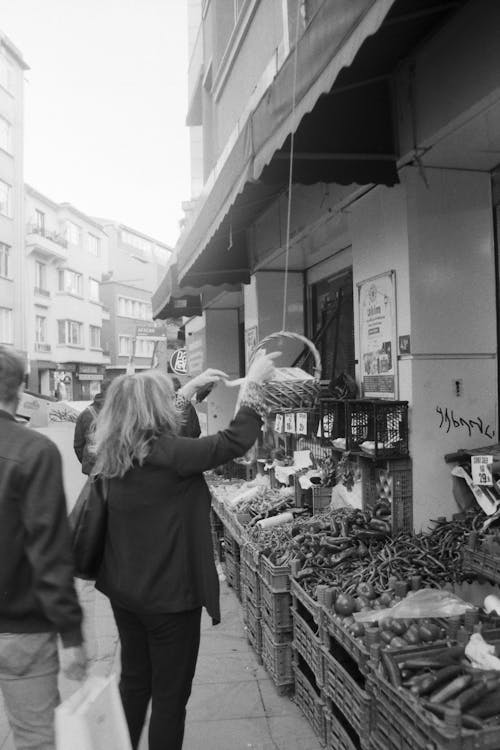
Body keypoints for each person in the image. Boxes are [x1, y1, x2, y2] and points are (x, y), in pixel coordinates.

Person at [91, 352, 278, 750]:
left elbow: (160, 427)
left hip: (126, 594)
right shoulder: (170, 455)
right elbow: (234, 440)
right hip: (169, 600)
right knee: (170, 699)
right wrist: (255, 385)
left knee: (135, 683)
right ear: (152, 411)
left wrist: (188, 391)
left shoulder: (112, 453)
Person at [0, 346, 86, 750]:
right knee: (36, 739)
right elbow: (48, 551)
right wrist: (71, 634)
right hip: (20, 629)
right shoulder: (33, 451)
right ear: (20, 390)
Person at [73, 379, 111, 474]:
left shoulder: (85, 414)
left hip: (92, 468)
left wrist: (88, 462)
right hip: (117, 469)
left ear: (101, 390)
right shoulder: (124, 412)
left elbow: (78, 445)